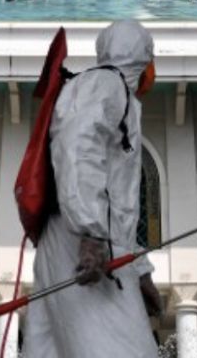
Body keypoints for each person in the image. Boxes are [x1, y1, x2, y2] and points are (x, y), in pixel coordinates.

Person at [24, 19, 162, 357]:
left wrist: (139, 270)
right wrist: (90, 233)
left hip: (81, 240)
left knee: (50, 350)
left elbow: (116, 203)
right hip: (83, 242)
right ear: (143, 57)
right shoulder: (105, 83)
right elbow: (76, 149)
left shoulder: (114, 93)